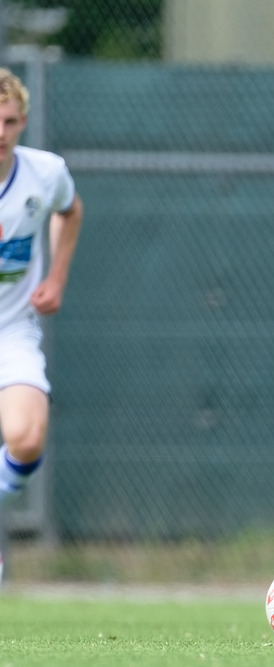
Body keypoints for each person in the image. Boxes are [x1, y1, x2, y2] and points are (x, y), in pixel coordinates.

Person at [0, 68, 84, 581]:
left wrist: (56, 276)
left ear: (23, 121)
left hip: (12, 329)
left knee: (27, 437)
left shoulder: (44, 173)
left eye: (9, 121)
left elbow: (69, 211)